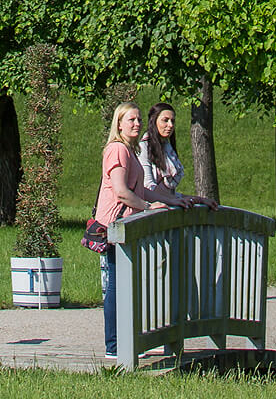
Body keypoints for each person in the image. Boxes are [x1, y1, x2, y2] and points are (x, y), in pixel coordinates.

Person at [95, 101, 187, 360]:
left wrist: (170, 201)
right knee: (116, 285)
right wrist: (148, 207)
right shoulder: (117, 150)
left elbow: (141, 190)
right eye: (131, 120)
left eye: (138, 119)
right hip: (116, 226)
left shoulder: (130, 150)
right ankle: (114, 345)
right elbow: (122, 192)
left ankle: (129, 340)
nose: (136, 124)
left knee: (129, 283)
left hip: (129, 226)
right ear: (119, 124)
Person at [139, 102, 184, 195]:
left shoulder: (168, 148)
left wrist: (190, 198)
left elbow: (171, 192)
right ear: (154, 121)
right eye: (165, 120)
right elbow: (148, 186)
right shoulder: (143, 147)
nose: (170, 125)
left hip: (166, 200)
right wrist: (173, 200)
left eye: (172, 121)